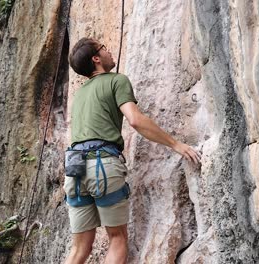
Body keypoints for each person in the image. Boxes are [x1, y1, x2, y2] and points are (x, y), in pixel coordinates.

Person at [64, 37, 200, 264]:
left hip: (75, 171)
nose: (108, 51)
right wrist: (176, 144)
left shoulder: (79, 95)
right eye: (103, 48)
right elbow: (135, 120)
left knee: (79, 250)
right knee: (117, 238)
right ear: (96, 59)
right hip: (103, 166)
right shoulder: (117, 81)